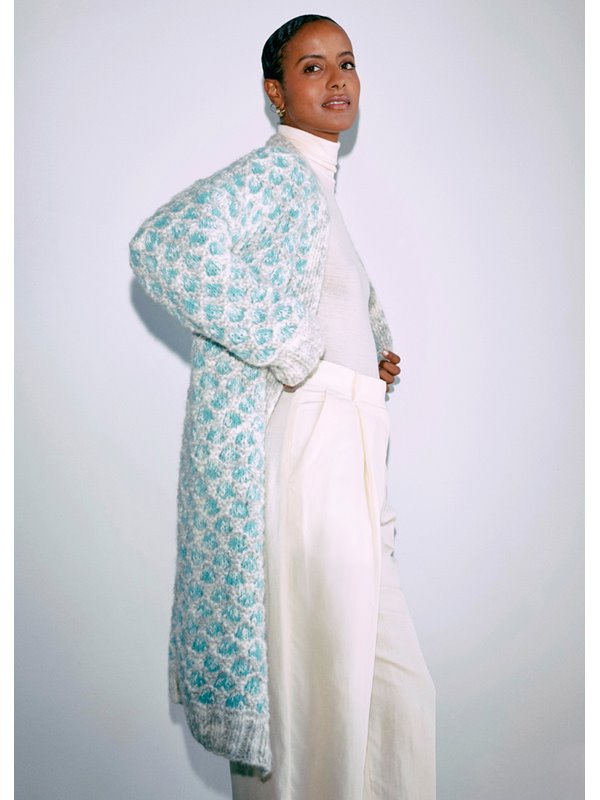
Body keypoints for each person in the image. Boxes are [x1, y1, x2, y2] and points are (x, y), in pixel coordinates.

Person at [130, 14, 435, 800]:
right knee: (317, 696)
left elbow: (321, 295)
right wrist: (295, 348)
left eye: (346, 63)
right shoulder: (275, 174)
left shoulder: (319, 191)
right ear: (276, 91)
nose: (336, 79)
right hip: (309, 454)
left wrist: (371, 353)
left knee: (394, 695)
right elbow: (163, 248)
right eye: (311, 66)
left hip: (352, 451)